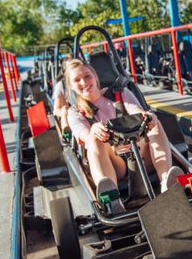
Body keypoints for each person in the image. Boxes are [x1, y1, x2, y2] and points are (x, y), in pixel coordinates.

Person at [65, 58, 182, 209]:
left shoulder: (120, 94)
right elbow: (85, 137)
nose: (83, 82)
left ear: (95, 76)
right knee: (94, 138)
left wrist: (148, 118)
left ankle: (166, 182)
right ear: (71, 86)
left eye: (87, 76)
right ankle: (111, 198)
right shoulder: (74, 112)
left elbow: (138, 112)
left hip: (140, 154)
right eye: (77, 80)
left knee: (155, 124)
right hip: (113, 163)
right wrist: (96, 131)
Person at [52, 53, 73, 139]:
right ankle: (67, 132)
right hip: (70, 113)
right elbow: (56, 110)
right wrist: (65, 112)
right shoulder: (61, 85)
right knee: (65, 109)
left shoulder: (85, 81)